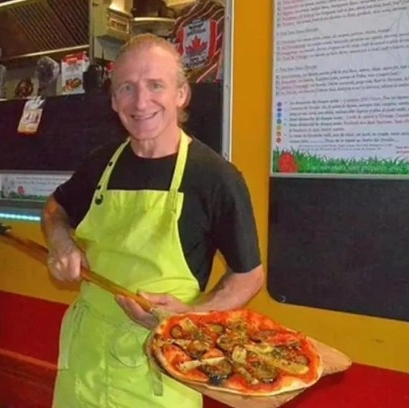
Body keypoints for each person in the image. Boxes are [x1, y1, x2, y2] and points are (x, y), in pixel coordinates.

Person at [42, 33, 265, 407]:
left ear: (181, 94)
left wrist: (189, 316)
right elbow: (55, 210)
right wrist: (61, 243)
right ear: (114, 101)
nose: (141, 101)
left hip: (160, 368)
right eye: (127, 88)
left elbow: (249, 276)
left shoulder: (215, 178)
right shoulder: (100, 164)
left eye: (155, 85)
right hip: (84, 365)